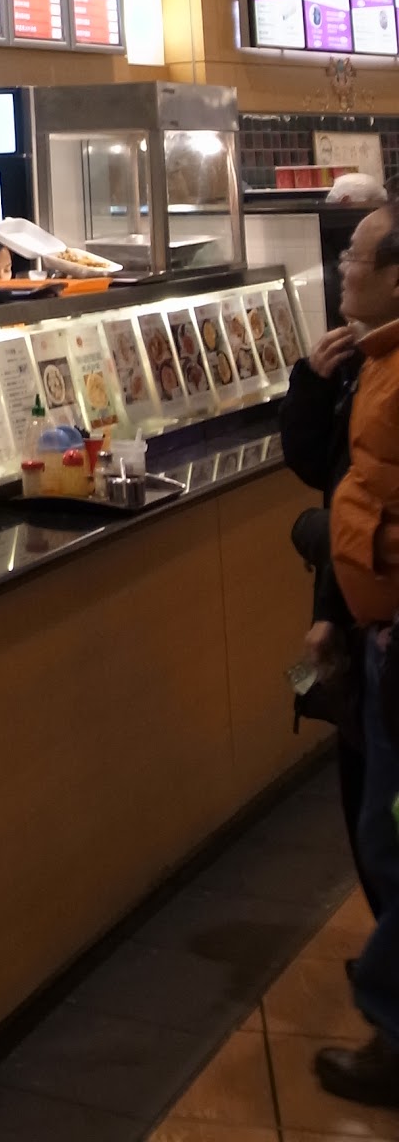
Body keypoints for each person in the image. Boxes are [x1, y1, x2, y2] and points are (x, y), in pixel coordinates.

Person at [314, 205, 399, 1104]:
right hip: (375, 631)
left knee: (392, 834)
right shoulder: (370, 362)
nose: (343, 265)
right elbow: (342, 477)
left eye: (357, 255)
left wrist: (352, 549)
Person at [281, 310, 370, 904]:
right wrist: (311, 382)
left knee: (374, 800)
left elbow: (363, 511)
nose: (345, 270)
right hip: (351, 601)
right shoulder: (357, 361)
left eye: (357, 264)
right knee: (362, 782)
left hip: (370, 611)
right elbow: (315, 463)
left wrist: (328, 613)